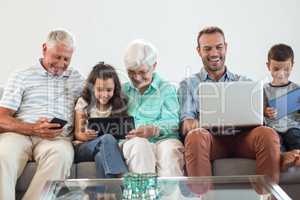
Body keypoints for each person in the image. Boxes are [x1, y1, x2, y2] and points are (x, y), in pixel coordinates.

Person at [178, 26, 281, 183]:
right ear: (199, 51)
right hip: (212, 141)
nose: (214, 53)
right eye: (207, 49)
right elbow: (187, 125)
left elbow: (261, 120)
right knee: (195, 137)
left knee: (267, 134)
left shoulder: (245, 83)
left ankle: (267, 197)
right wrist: (203, 123)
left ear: (226, 47)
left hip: (243, 139)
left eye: (219, 47)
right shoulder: (189, 84)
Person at [0, 29, 84, 200]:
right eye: (57, 57)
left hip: (56, 140)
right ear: (44, 49)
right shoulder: (22, 75)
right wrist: (33, 128)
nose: (61, 64)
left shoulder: (77, 79)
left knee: (61, 155)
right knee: (3, 155)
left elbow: (100, 100)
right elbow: (1, 117)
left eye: (66, 59)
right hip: (19, 135)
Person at [122, 39, 184, 176]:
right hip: (134, 142)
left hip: (164, 139)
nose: (137, 77)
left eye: (142, 72)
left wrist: (154, 130)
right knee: (140, 146)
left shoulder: (166, 89)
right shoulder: (122, 91)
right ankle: (144, 195)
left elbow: (173, 122)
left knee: (170, 152)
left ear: (154, 66)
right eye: (131, 72)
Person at [74, 62, 128, 178]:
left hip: (106, 148)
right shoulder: (84, 102)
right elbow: (78, 133)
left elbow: (122, 132)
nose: (104, 94)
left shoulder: (119, 104)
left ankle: (104, 194)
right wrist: (86, 135)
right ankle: (123, 178)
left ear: (115, 88)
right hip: (85, 147)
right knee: (107, 138)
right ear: (92, 87)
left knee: (100, 157)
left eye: (109, 90)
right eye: (99, 90)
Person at [264, 43, 300, 171]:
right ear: (268, 66)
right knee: (274, 142)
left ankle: (296, 155)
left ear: (292, 66)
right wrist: (265, 111)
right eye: (276, 69)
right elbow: (258, 112)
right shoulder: (264, 89)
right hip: (274, 128)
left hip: (293, 127)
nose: (281, 74)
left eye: (286, 69)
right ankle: (284, 157)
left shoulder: (296, 89)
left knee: (294, 136)